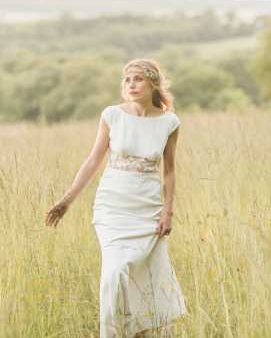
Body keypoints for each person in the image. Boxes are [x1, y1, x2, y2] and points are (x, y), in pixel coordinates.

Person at [44, 58, 187, 337]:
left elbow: (169, 171)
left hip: (148, 209)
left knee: (144, 274)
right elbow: (92, 161)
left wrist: (168, 211)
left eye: (138, 79)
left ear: (153, 83)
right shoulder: (112, 115)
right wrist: (66, 202)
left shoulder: (169, 122)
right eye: (127, 80)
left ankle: (139, 331)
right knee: (114, 272)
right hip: (113, 207)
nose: (131, 85)